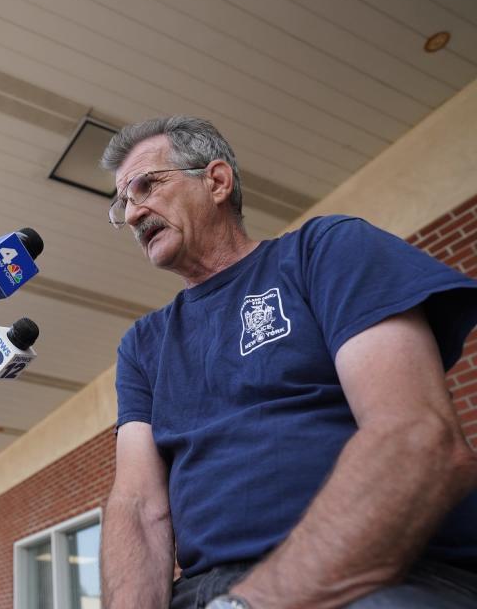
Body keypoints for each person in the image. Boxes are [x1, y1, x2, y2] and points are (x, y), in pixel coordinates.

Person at [98, 116, 477, 609]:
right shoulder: (143, 345)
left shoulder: (327, 250)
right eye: (123, 201)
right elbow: (137, 506)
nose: (132, 214)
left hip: (389, 572)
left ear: (216, 181)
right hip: (205, 594)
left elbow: (416, 436)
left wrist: (253, 604)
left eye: (147, 185)